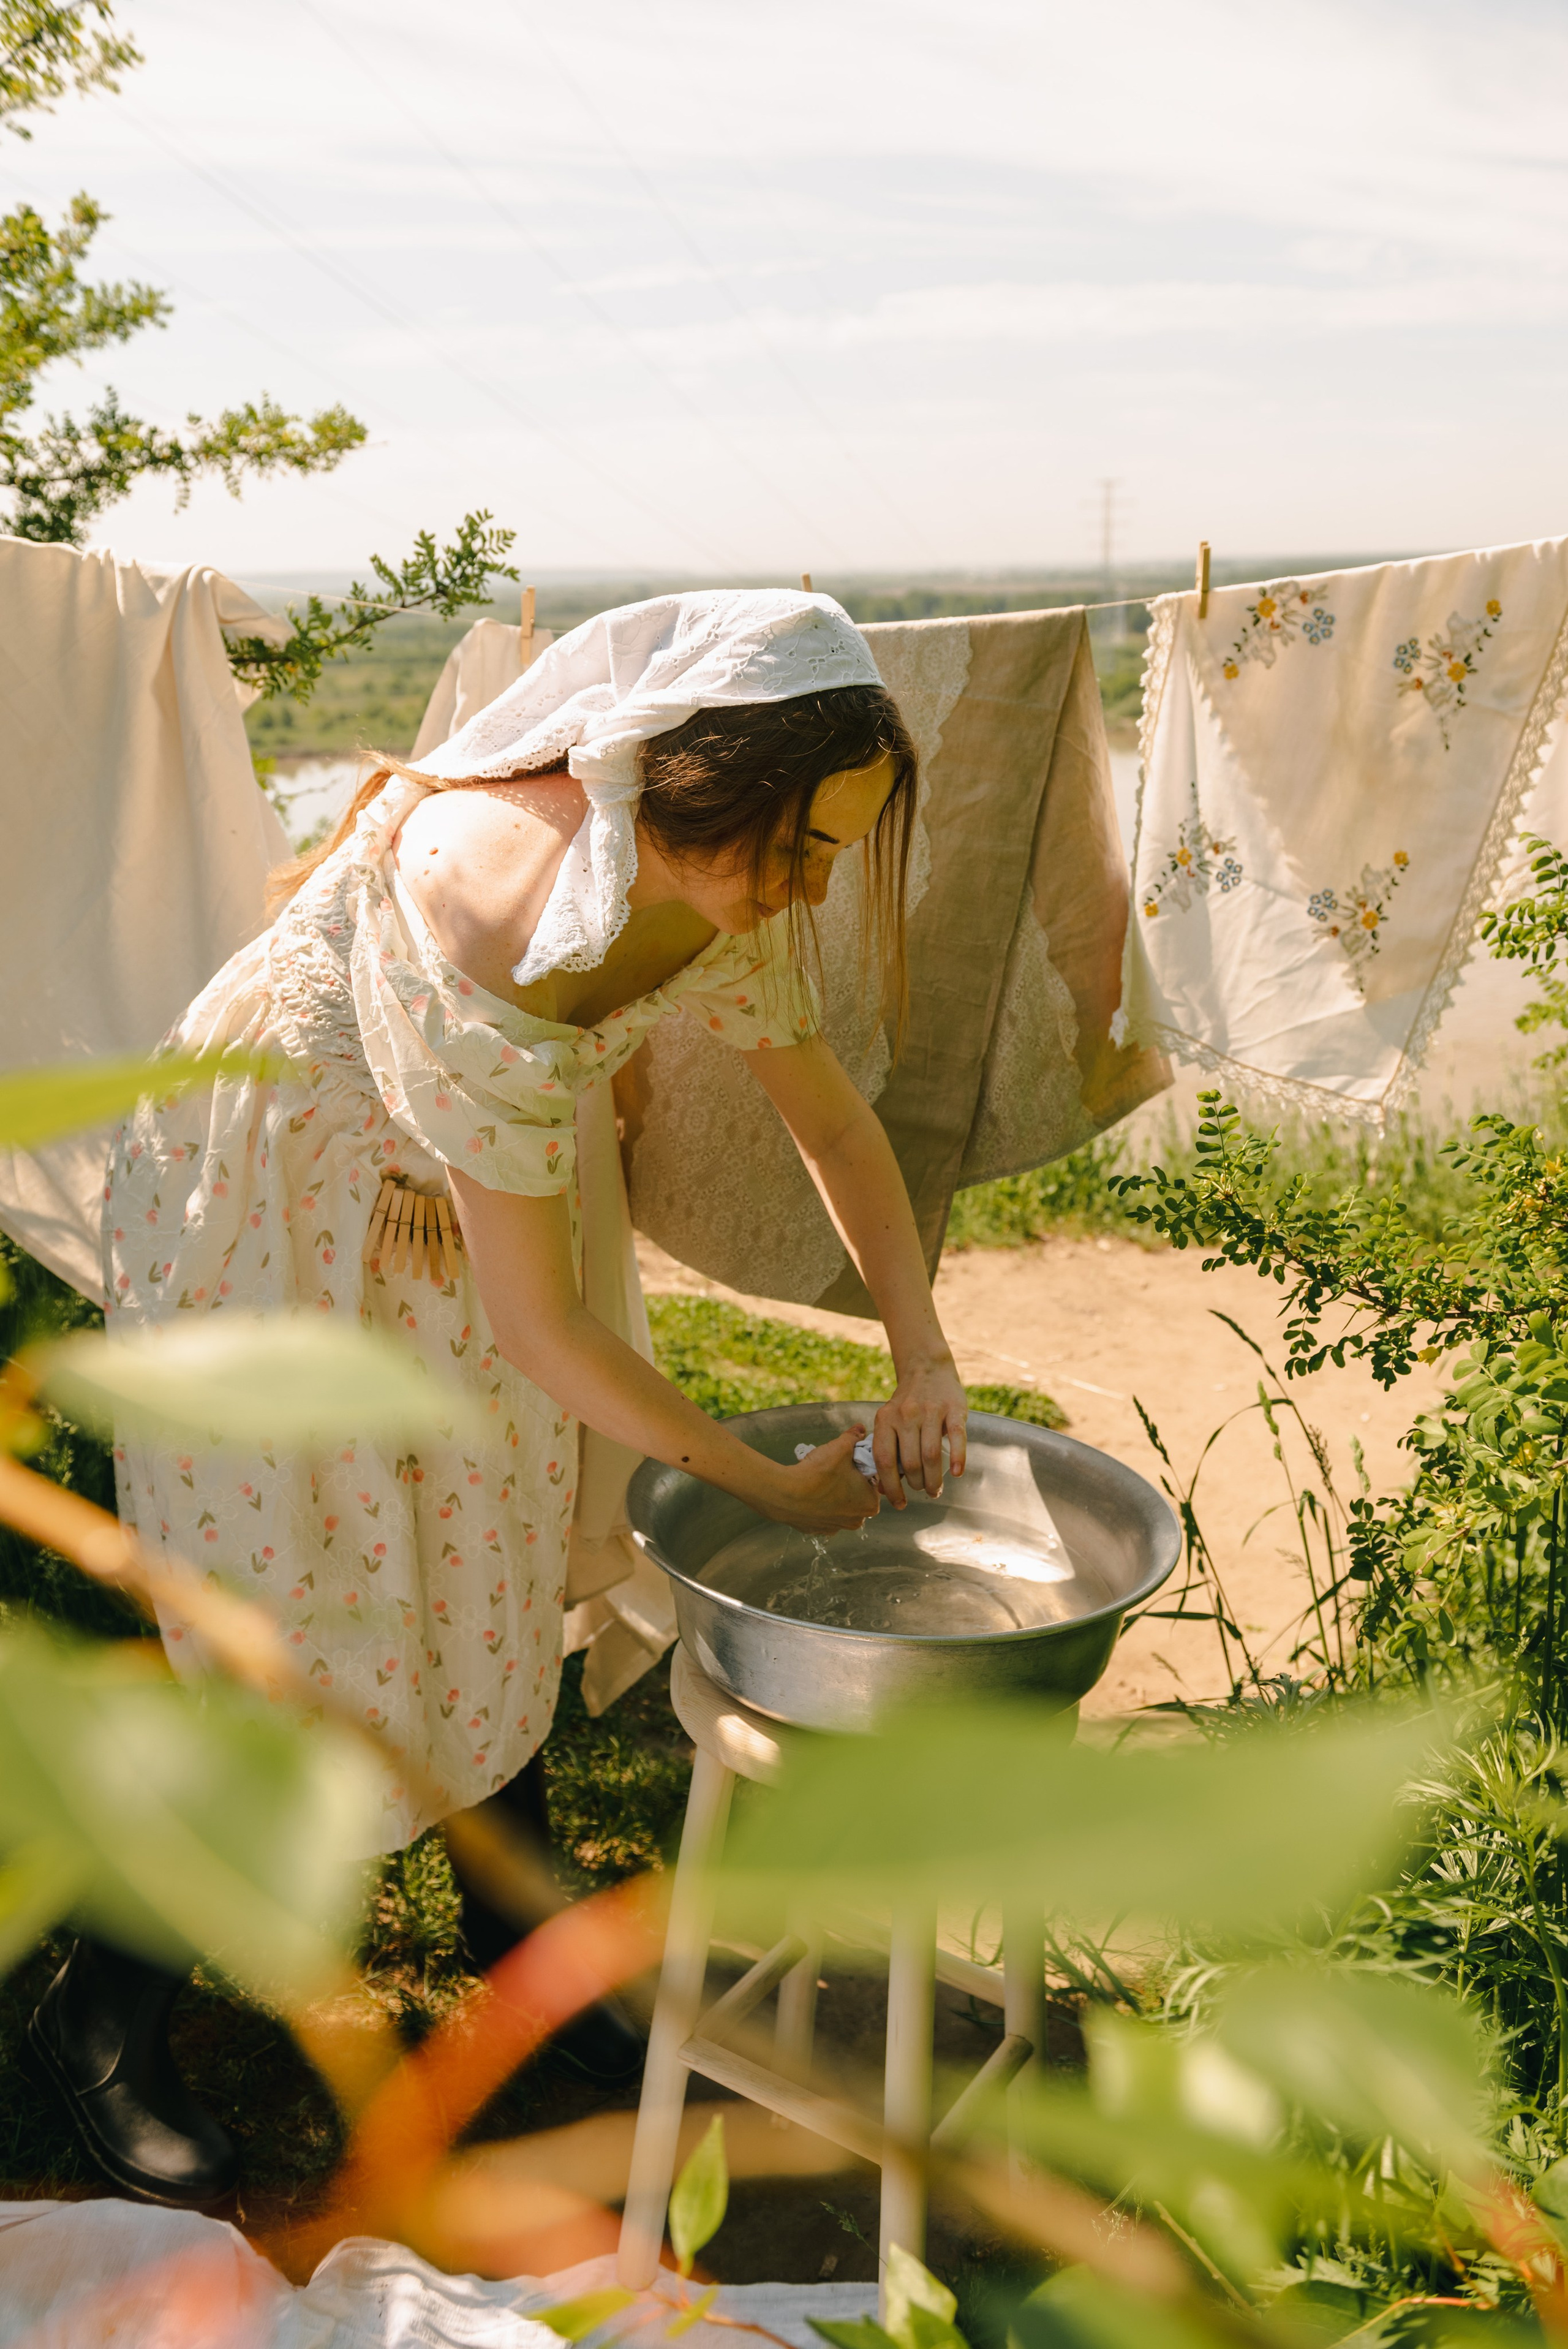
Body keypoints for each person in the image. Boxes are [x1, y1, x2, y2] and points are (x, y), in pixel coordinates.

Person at [29, 590, 970, 2205]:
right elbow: (543, 1326)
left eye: (836, 854)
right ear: (699, 780)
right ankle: (99, 2016)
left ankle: (527, 1942)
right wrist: (762, 1484)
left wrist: (920, 1344)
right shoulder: (496, 901)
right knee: (288, 1610)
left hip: (440, 1207)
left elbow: (833, 1119)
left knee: (487, 1549)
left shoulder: (718, 876)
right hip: (278, 1202)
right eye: (804, 848)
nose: (810, 889)